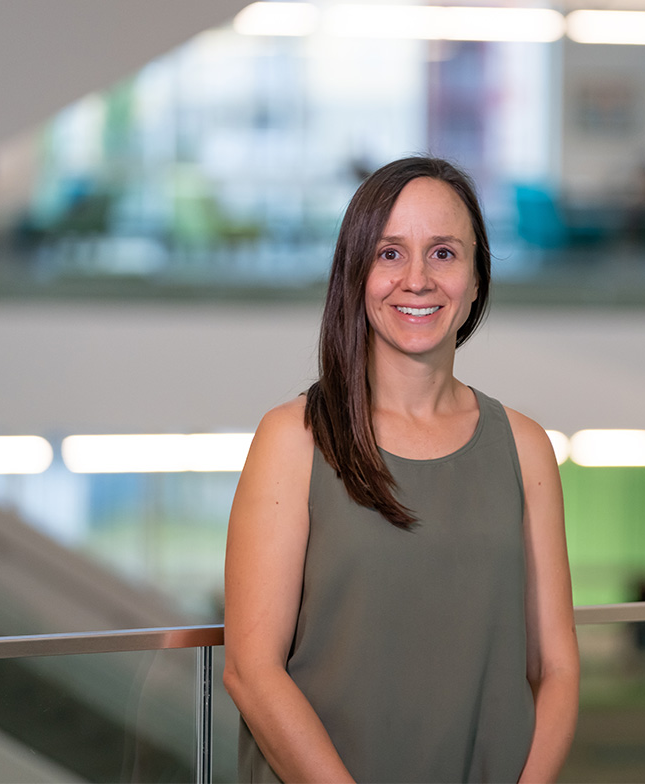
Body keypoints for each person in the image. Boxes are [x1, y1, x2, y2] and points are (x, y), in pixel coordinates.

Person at [223, 156, 579, 783]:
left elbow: (557, 670)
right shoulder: (292, 438)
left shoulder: (525, 448)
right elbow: (251, 670)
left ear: (475, 280)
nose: (417, 279)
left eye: (443, 253)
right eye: (389, 254)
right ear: (355, 274)